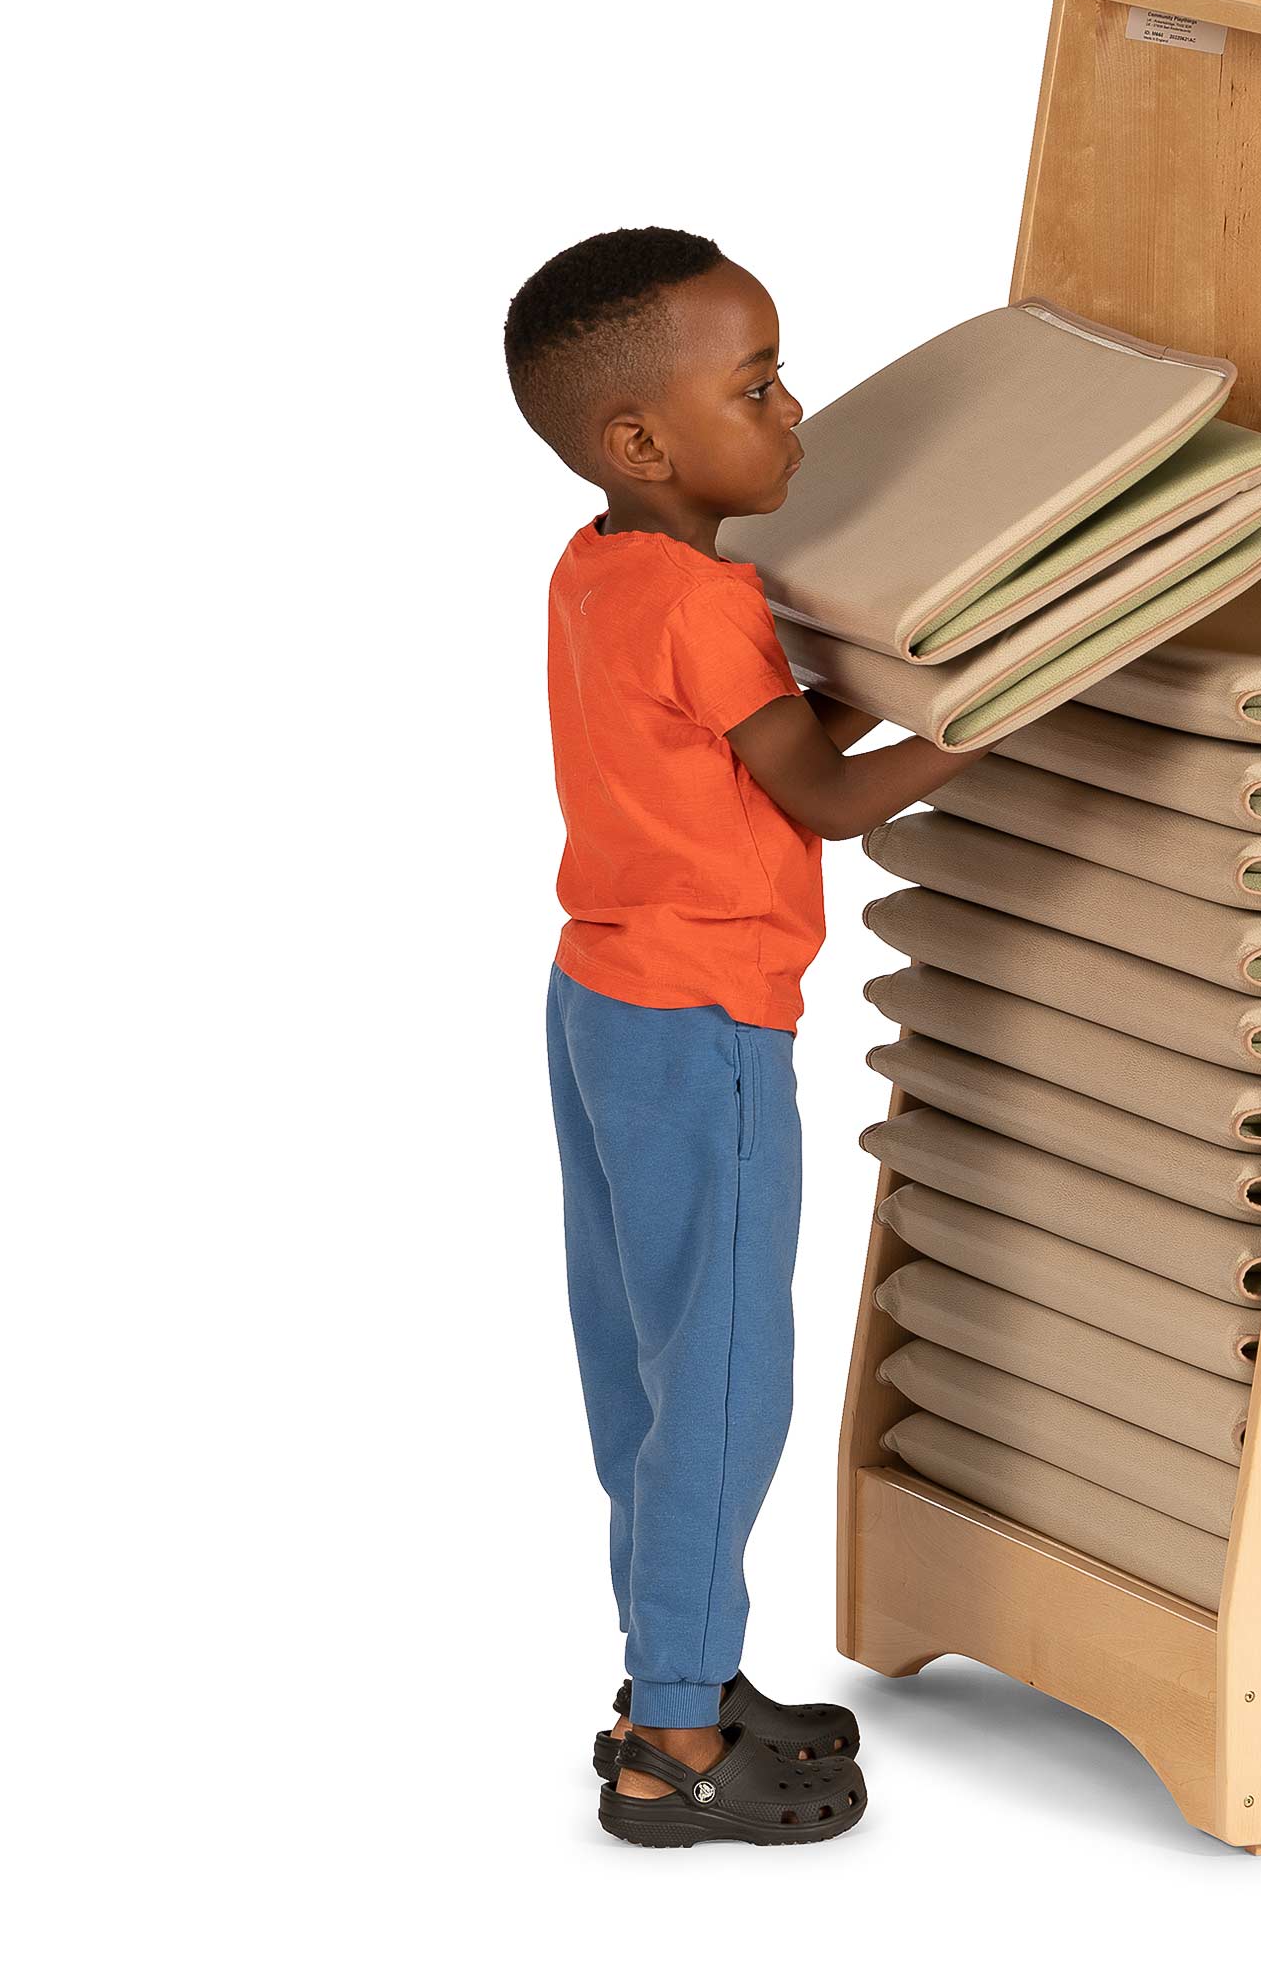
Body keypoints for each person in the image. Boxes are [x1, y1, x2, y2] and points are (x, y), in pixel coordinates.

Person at [506, 227, 985, 1847]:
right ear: (640, 441)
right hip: (706, 1022)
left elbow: (747, 750)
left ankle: (679, 1675)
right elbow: (826, 798)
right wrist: (975, 711)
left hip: (601, 1003)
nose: (798, 411)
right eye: (760, 383)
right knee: (720, 1378)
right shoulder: (711, 601)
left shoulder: (601, 567)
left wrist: (863, 689)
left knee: (646, 1374)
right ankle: (673, 1751)